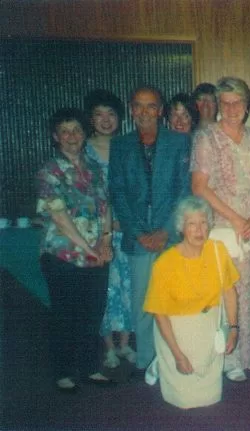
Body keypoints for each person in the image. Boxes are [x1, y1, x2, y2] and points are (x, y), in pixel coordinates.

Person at [109, 85, 192, 375]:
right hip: (138, 238)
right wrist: (137, 233)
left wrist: (167, 231)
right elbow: (117, 193)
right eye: (138, 106)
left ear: (160, 110)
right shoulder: (119, 146)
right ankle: (146, 360)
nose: (144, 112)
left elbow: (184, 191)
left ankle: (173, 359)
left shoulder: (179, 142)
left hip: (169, 237)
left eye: (151, 106)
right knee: (143, 301)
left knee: (174, 298)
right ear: (132, 110)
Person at [191, 76, 250, 382]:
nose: (232, 107)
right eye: (226, 102)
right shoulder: (206, 137)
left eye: (238, 101)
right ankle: (228, 358)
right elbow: (199, 187)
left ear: (247, 105)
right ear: (219, 106)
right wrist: (237, 219)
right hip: (223, 222)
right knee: (227, 289)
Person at [37, 108, 114, 392]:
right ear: (56, 137)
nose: (72, 136)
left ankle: (90, 368)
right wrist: (88, 248)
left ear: (84, 135)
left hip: (96, 253)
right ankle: (63, 372)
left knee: (92, 312)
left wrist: (105, 240)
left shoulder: (93, 170)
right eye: (65, 131)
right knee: (65, 315)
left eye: (77, 130)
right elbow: (59, 217)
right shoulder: (49, 172)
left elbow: (105, 207)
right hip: (62, 256)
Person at [144, 196, 239, 409]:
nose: (199, 230)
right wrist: (178, 355)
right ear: (181, 228)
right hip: (179, 331)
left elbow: (230, 292)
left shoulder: (217, 250)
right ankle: (163, 360)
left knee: (211, 398)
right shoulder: (165, 263)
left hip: (209, 327)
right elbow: (159, 314)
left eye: (203, 222)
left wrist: (233, 328)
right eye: (192, 224)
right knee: (184, 401)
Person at [84, 89, 136, 369]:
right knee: (104, 288)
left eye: (111, 114)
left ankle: (126, 344)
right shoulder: (84, 149)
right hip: (97, 232)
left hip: (124, 229)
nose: (106, 120)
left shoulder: (128, 145)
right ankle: (108, 348)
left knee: (127, 285)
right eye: (99, 115)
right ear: (91, 119)